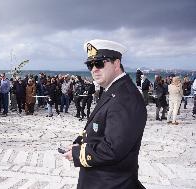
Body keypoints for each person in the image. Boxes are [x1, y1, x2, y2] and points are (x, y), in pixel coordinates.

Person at [63, 39, 147, 189]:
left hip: (111, 183)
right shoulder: (115, 90)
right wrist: (79, 143)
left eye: (100, 63)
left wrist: (78, 153)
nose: (94, 69)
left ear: (116, 64)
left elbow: (113, 149)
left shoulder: (125, 97)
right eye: (90, 65)